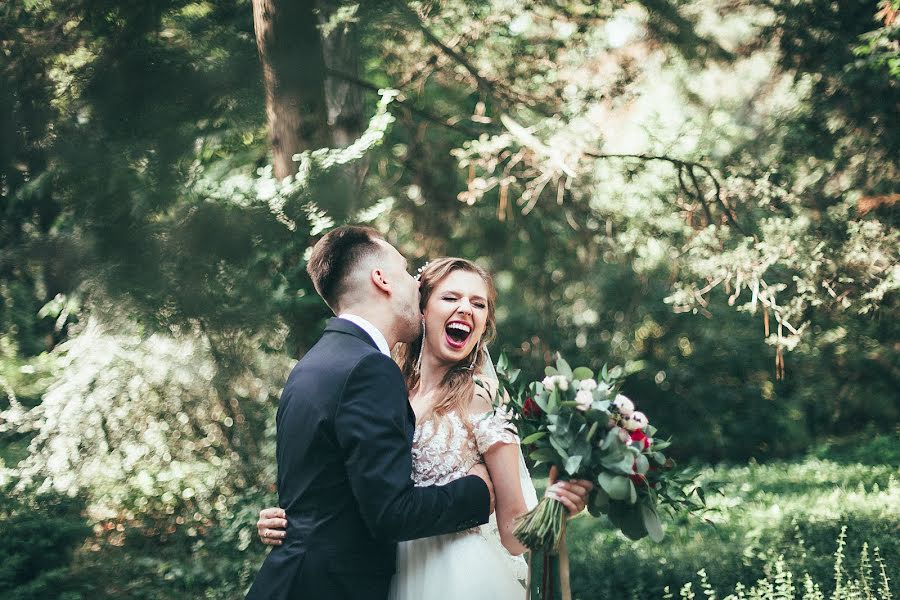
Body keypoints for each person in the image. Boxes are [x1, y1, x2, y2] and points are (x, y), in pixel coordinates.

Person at [256, 252, 593, 599]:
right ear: (422, 309)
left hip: (460, 579)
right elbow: (360, 486)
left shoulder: (482, 395)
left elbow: (512, 534)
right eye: (451, 297)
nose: (466, 309)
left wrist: (556, 507)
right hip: (388, 574)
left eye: (478, 304)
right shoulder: (386, 388)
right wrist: (293, 520)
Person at [244, 228, 495, 600]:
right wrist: (478, 492)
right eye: (407, 270)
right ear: (382, 279)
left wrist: (296, 521)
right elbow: (390, 512)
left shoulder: (311, 365)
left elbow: (324, 482)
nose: (416, 283)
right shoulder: (370, 370)